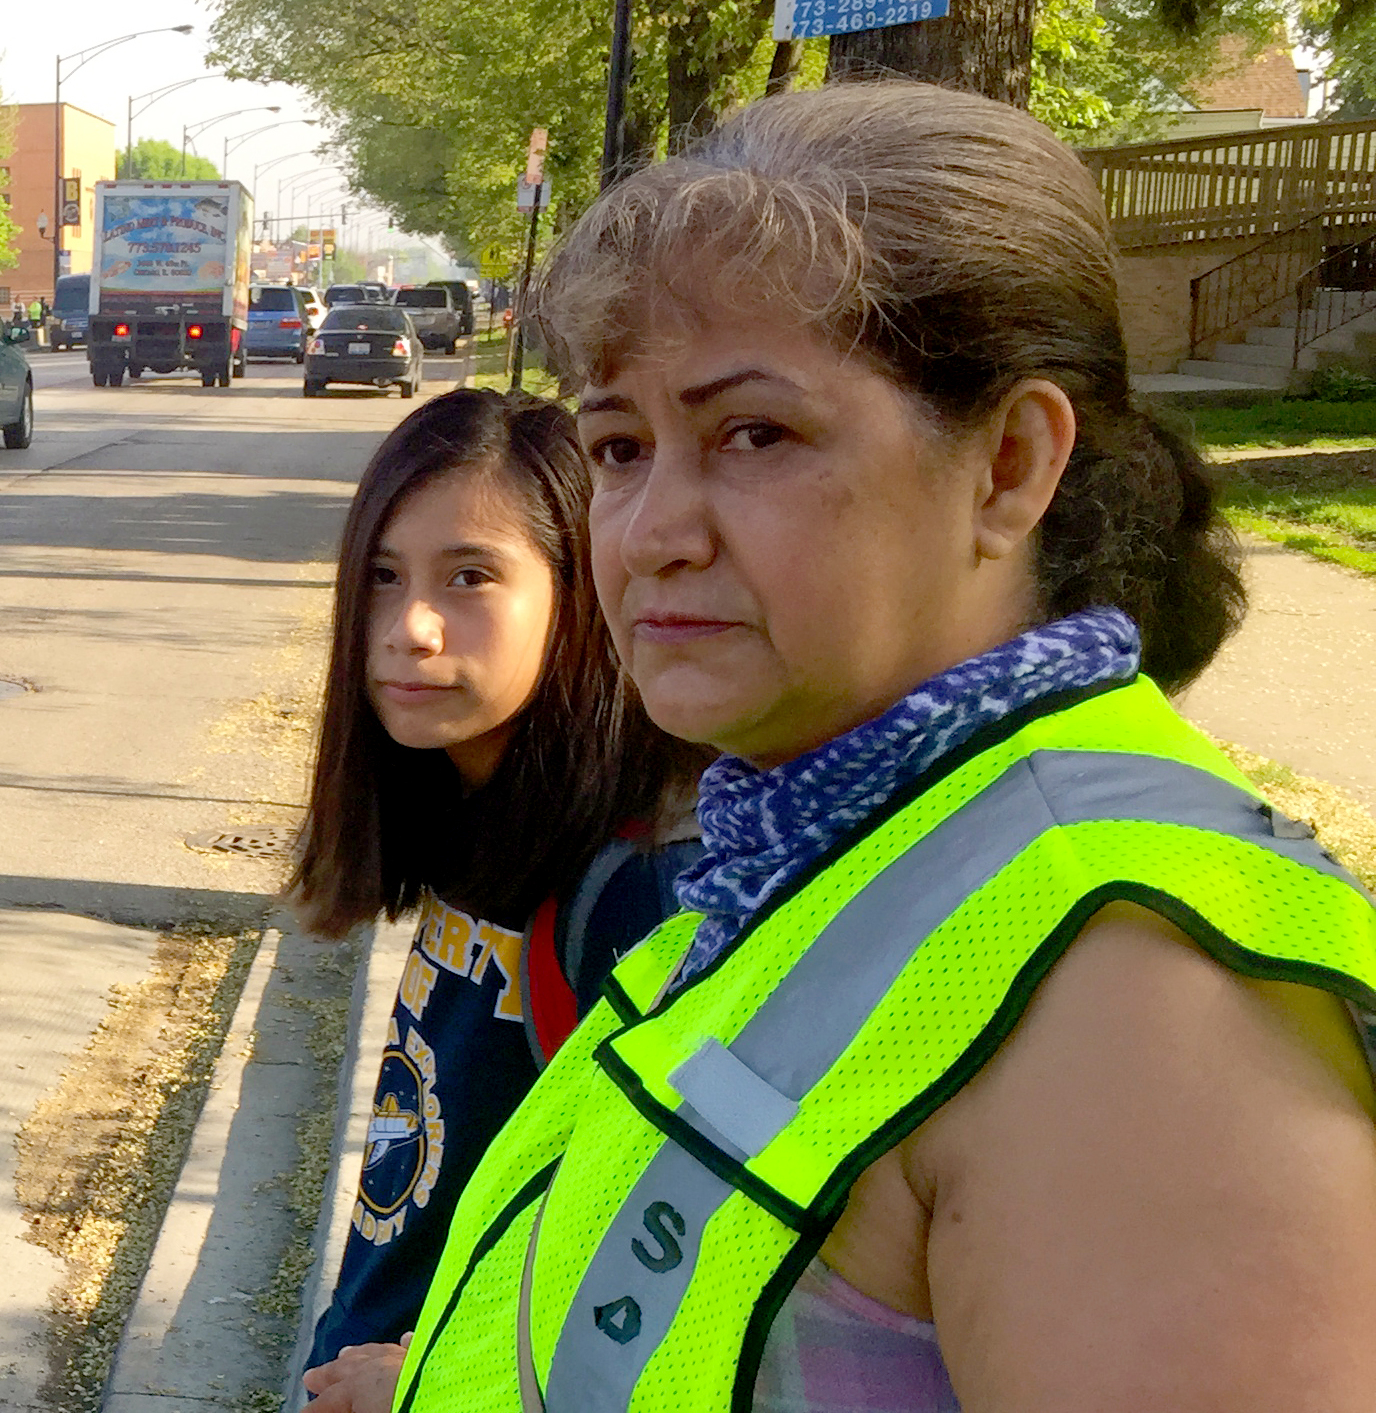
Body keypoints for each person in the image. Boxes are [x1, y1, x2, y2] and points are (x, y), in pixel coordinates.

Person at [306, 81, 1376, 1413]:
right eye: (624, 446)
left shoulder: (1145, 1004)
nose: (650, 532)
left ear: (1008, 467)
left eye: (754, 433)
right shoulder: (823, 842)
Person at [293, 387, 709, 1376]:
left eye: (470, 577)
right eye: (384, 579)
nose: (412, 628)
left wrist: (446, 1381)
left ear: (582, 596)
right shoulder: (466, 811)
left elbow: (680, 1261)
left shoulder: (641, 885)